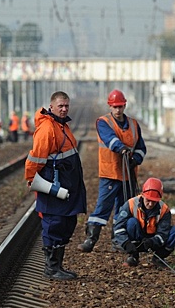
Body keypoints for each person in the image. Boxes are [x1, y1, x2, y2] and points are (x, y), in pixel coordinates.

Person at [25, 91, 87, 281]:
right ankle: (51, 268)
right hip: (53, 186)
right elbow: (35, 158)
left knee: (67, 223)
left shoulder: (62, 126)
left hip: (66, 186)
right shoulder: (47, 129)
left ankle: (57, 265)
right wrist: (32, 180)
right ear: (51, 106)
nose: (64, 109)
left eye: (66, 105)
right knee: (55, 224)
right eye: (60, 106)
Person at [78, 89, 146, 253]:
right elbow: (110, 139)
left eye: (120, 106)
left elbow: (141, 148)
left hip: (128, 174)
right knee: (103, 207)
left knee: (123, 209)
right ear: (110, 106)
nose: (118, 110)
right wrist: (122, 149)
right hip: (110, 173)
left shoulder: (134, 125)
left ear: (124, 105)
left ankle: (118, 240)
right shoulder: (103, 122)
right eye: (115, 107)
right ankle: (91, 239)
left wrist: (136, 158)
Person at [112, 178, 175, 267]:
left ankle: (158, 258)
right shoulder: (130, 204)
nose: (150, 204)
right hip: (136, 237)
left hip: (154, 240)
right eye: (148, 200)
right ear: (142, 195)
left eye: (154, 201)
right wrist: (126, 244)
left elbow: (163, 234)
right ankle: (134, 256)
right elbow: (118, 227)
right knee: (131, 223)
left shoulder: (164, 210)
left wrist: (152, 241)